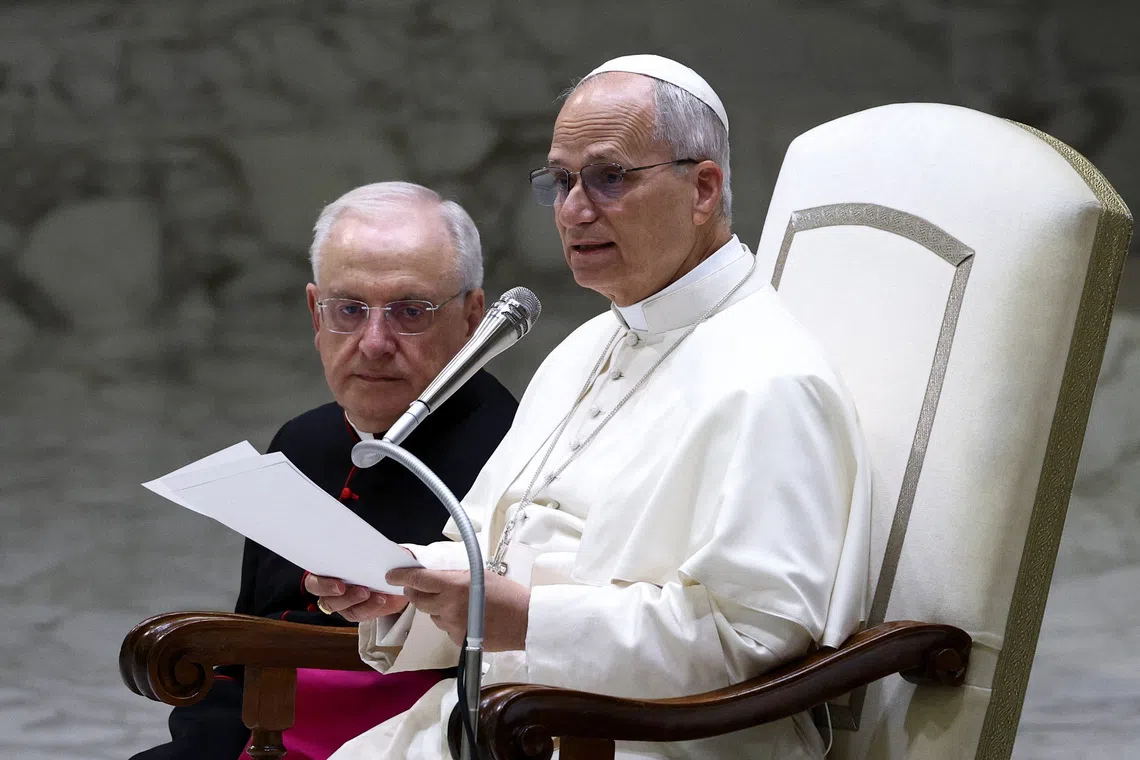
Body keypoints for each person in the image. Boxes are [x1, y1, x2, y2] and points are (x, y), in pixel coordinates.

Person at [317, 55, 871, 760]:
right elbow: (494, 548)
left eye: (609, 177)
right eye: (562, 180)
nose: (574, 210)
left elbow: (754, 640)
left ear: (703, 188)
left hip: (645, 743)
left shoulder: (771, 380)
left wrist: (531, 621)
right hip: (502, 722)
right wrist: (404, 585)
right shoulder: (587, 344)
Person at [133, 182, 518, 760]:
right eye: (348, 310)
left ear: (472, 319)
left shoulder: (518, 449)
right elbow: (251, 639)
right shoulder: (303, 440)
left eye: (410, 312)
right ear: (316, 313)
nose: (374, 342)